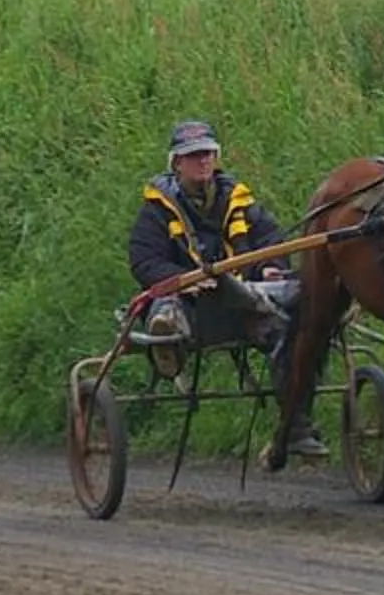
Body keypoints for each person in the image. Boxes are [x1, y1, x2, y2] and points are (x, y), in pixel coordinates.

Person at [127, 119, 326, 460]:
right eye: (193, 156)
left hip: (245, 304)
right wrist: (188, 279)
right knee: (166, 308)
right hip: (192, 304)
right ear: (176, 163)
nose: (202, 161)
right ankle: (167, 343)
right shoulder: (156, 211)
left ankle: (296, 425)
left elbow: (270, 239)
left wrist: (270, 267)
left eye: (207, 153)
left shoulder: (239, 200)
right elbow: (144, 261)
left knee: (290, 332)